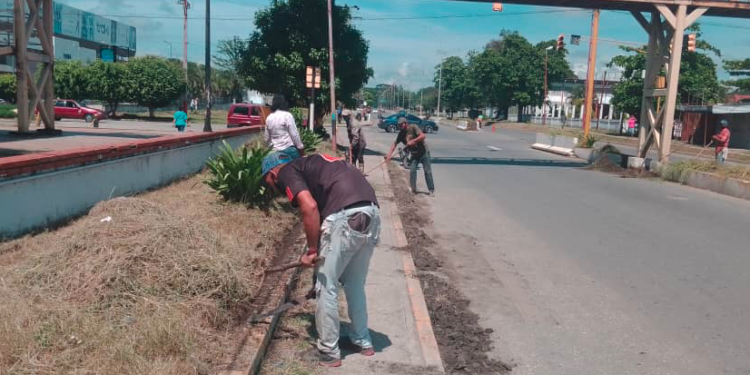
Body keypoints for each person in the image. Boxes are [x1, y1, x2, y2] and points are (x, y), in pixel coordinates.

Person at [261, 152, 381, 368]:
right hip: (371, 213)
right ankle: (363, 342)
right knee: (354, 284)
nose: (271, 187)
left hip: (346, 217)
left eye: (267, 181)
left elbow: (310, 207)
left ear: (272, 173)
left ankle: (329, 351)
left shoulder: (287, 172)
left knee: (326, 286)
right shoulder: (312, 164)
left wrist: (313, 250)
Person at [384, 117, 435, 196]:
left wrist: (413, 141)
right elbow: (394, 144)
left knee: (427, 171)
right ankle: (413, 188)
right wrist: (389, 155)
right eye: (399, 125)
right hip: (415, 154)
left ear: (405, 123)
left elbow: (423, 136)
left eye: (401, 125)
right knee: (412, 170)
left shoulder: (413, 127)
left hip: (424, 152)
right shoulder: (401, 134)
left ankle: (431, 190)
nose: (400, 126)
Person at [264, 94, 304, 159]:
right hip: (288, 150)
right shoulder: (287, 115)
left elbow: (266, 138)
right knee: (301, 166)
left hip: (274, 151)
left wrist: (270, 149)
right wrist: (301, 148)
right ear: (284, 103)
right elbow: (294, 135)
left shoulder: (269, 118)